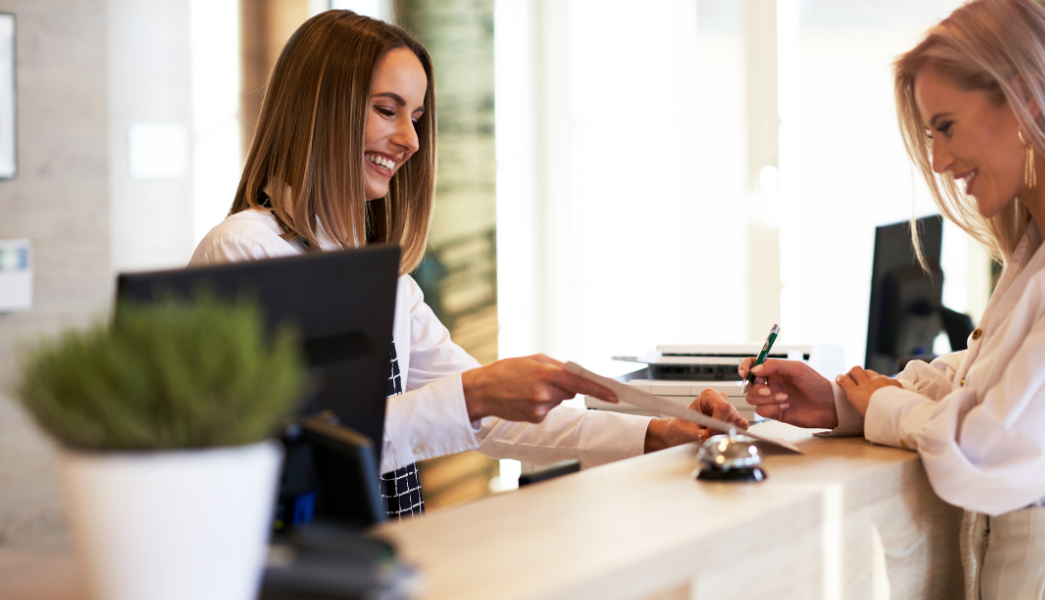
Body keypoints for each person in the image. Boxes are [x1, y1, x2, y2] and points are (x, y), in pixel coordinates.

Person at [190, 10, 747, 520]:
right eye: (387, 110)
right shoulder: (244, 250)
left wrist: (659, 432)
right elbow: (294, 449)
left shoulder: (384, 281)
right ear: (322, 110)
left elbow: (489, 420)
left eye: (417, 117)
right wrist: (475, 394)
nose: (409, 139)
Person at [741, 0, 1045, 597]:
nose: (940, 161)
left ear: (1025, 99)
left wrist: (887, 409)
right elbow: (986, 385)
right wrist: (846, 401)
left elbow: (990, 450)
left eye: (946, 126)